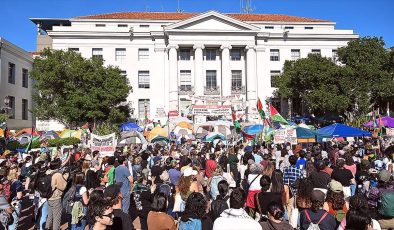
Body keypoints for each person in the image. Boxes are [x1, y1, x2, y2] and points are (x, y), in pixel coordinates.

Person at [45, 158, 69, 230]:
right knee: (57, 218)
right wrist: (65, 176)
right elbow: (63, 186)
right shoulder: (57, 175)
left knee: (50, 215)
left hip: (48, 196)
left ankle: (47, 228)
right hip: (55, 197)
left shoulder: (47, 172)